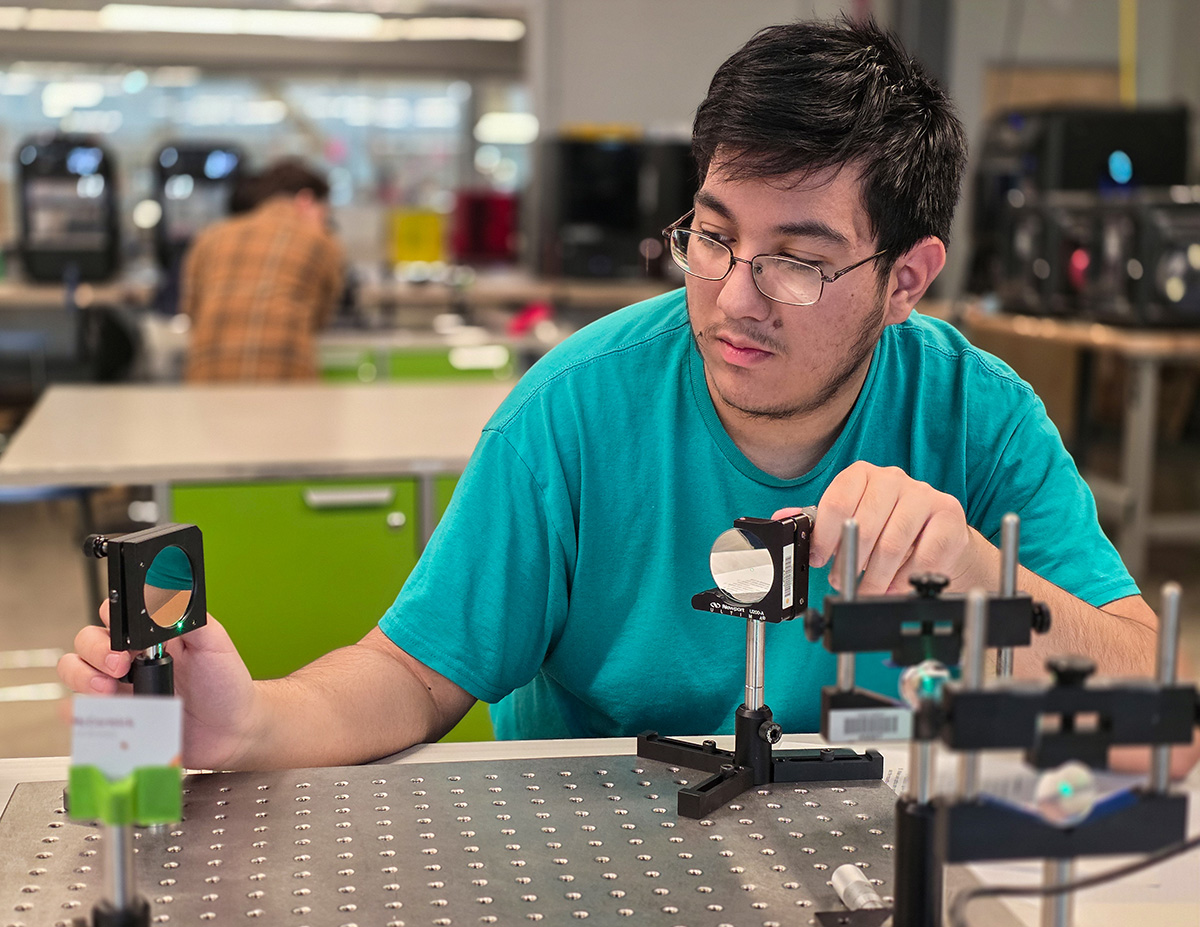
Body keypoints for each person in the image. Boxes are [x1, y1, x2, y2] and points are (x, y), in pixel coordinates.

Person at [60, 18, 1198, 774]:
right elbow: (409, 674)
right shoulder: (577, 408)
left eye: (798, 258)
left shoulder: (978, 416)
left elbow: (1164, 721)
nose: (734, 295)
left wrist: (980, 578)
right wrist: (245, 721)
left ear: (906, 279)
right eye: (711, 235)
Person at [179, 158, 344, 382]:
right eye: (324, 213)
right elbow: (320, 320)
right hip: (286, 383)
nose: (325, 222)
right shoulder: (320, 242)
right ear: (306, 200)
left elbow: (192, 311)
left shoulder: (209, 237)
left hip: (207, 382)